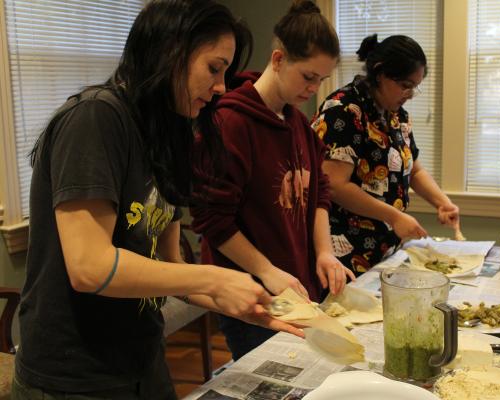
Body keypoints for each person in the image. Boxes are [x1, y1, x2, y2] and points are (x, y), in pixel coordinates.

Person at [13, 1, 303, 399]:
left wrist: (237, 302)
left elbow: (168, 267)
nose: (221, 87)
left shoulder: (169, 134)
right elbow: (89, 267)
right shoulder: (96, 119)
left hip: (143, 360)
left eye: (226, 73)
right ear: (170, 51)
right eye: (214, 68)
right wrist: (218, 277)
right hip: (73, 376)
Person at [190, 0, 355, 361]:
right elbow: (213, 221)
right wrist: (266, 271)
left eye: (321, 80)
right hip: (252, 294)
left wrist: (325, 252)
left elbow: (320, 194)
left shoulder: (298, 125)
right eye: (308, 77)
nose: (314, 89)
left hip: (294, 287)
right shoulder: (230, 123)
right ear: (278, 60)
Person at [311, 34, 460, 276]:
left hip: (385, 248)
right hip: (346, 250)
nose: (411, 93)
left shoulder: (396, 114)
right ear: (380, 73)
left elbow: (414, 169)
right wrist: (394, 216)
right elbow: (335, 186)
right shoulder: (344, 110)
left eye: (415, 86)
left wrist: (442, 202)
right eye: (405, 85)